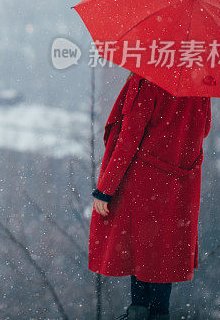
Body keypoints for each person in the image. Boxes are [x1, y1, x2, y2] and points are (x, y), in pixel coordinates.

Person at [89, 72, 211, 320]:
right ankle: (158, 313)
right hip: (180, 184)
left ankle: (139, 313)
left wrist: (105, 189)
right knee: (162, 257)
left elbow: (128, 139)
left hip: (146, 185)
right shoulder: (200, 82)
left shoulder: (148, 79)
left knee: (142, 254)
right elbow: (203, 129)